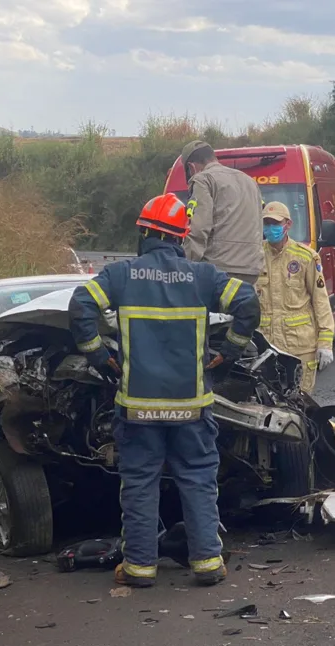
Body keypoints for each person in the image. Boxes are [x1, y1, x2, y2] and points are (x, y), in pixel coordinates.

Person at [68, 193, 260, 588]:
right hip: (191, 407)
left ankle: (140, 568)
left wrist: (99, 356)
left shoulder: (121, 276)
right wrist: (229, 351)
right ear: (180, 237)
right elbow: (248, 304)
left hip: (138, 409)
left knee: (139, 483)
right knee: (198, 480)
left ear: (145, 232)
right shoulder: (203, 277)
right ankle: (207, 562)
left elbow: (80, 307)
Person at [255, 201, 334, 394]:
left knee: (301, 403)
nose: (270, 228)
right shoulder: (254, 256)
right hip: (266, 347)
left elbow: (321, 301)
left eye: (275, 223)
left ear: (288, 224)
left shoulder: (306, 257)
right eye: (267, 224)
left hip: (299, 347)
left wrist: (325, 343)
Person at [180, 140, 265, 284]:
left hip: (219, 270)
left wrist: (182, 266)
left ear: (191, 167)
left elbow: (199, 229)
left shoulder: (203, 180)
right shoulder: (249, 181)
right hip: (251, 271)